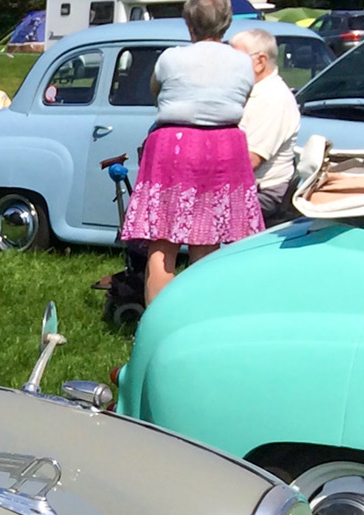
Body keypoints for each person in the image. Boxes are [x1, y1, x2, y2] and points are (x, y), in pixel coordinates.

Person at [119, 0, 262, 305]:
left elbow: (156, 91)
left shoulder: (171, 58)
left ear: (189, 24)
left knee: (163, 239)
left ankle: (156, 324)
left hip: (174, 144)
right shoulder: (242, 62)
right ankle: (195, 319)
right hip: (224, 146)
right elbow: (245, 95)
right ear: (226, 23)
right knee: (207, 238)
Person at [233, 25, 300, 226]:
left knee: (199, 210)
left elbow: (250, 160)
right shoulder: (254, 94)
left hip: (264, 193)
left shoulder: (272, 98)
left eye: (236, 60)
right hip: (251, 188)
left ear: (260, 61)